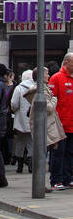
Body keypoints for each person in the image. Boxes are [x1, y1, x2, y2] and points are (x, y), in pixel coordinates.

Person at [48, 53, 73, 189]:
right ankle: (56, 180)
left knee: (70, 154)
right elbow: (52, 101)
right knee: (58, 154)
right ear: (67, 62)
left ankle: (68, 178)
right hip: (60, 125)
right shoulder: (56, 78)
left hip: (71, 125)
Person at [10, 69, 34, 174]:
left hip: (20, 119)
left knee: (20, 142)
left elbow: (14, 104)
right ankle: (31, 164)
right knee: (31, 142)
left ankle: (19, 166)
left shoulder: (19, 88)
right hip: (33, 119)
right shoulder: (37, 87)